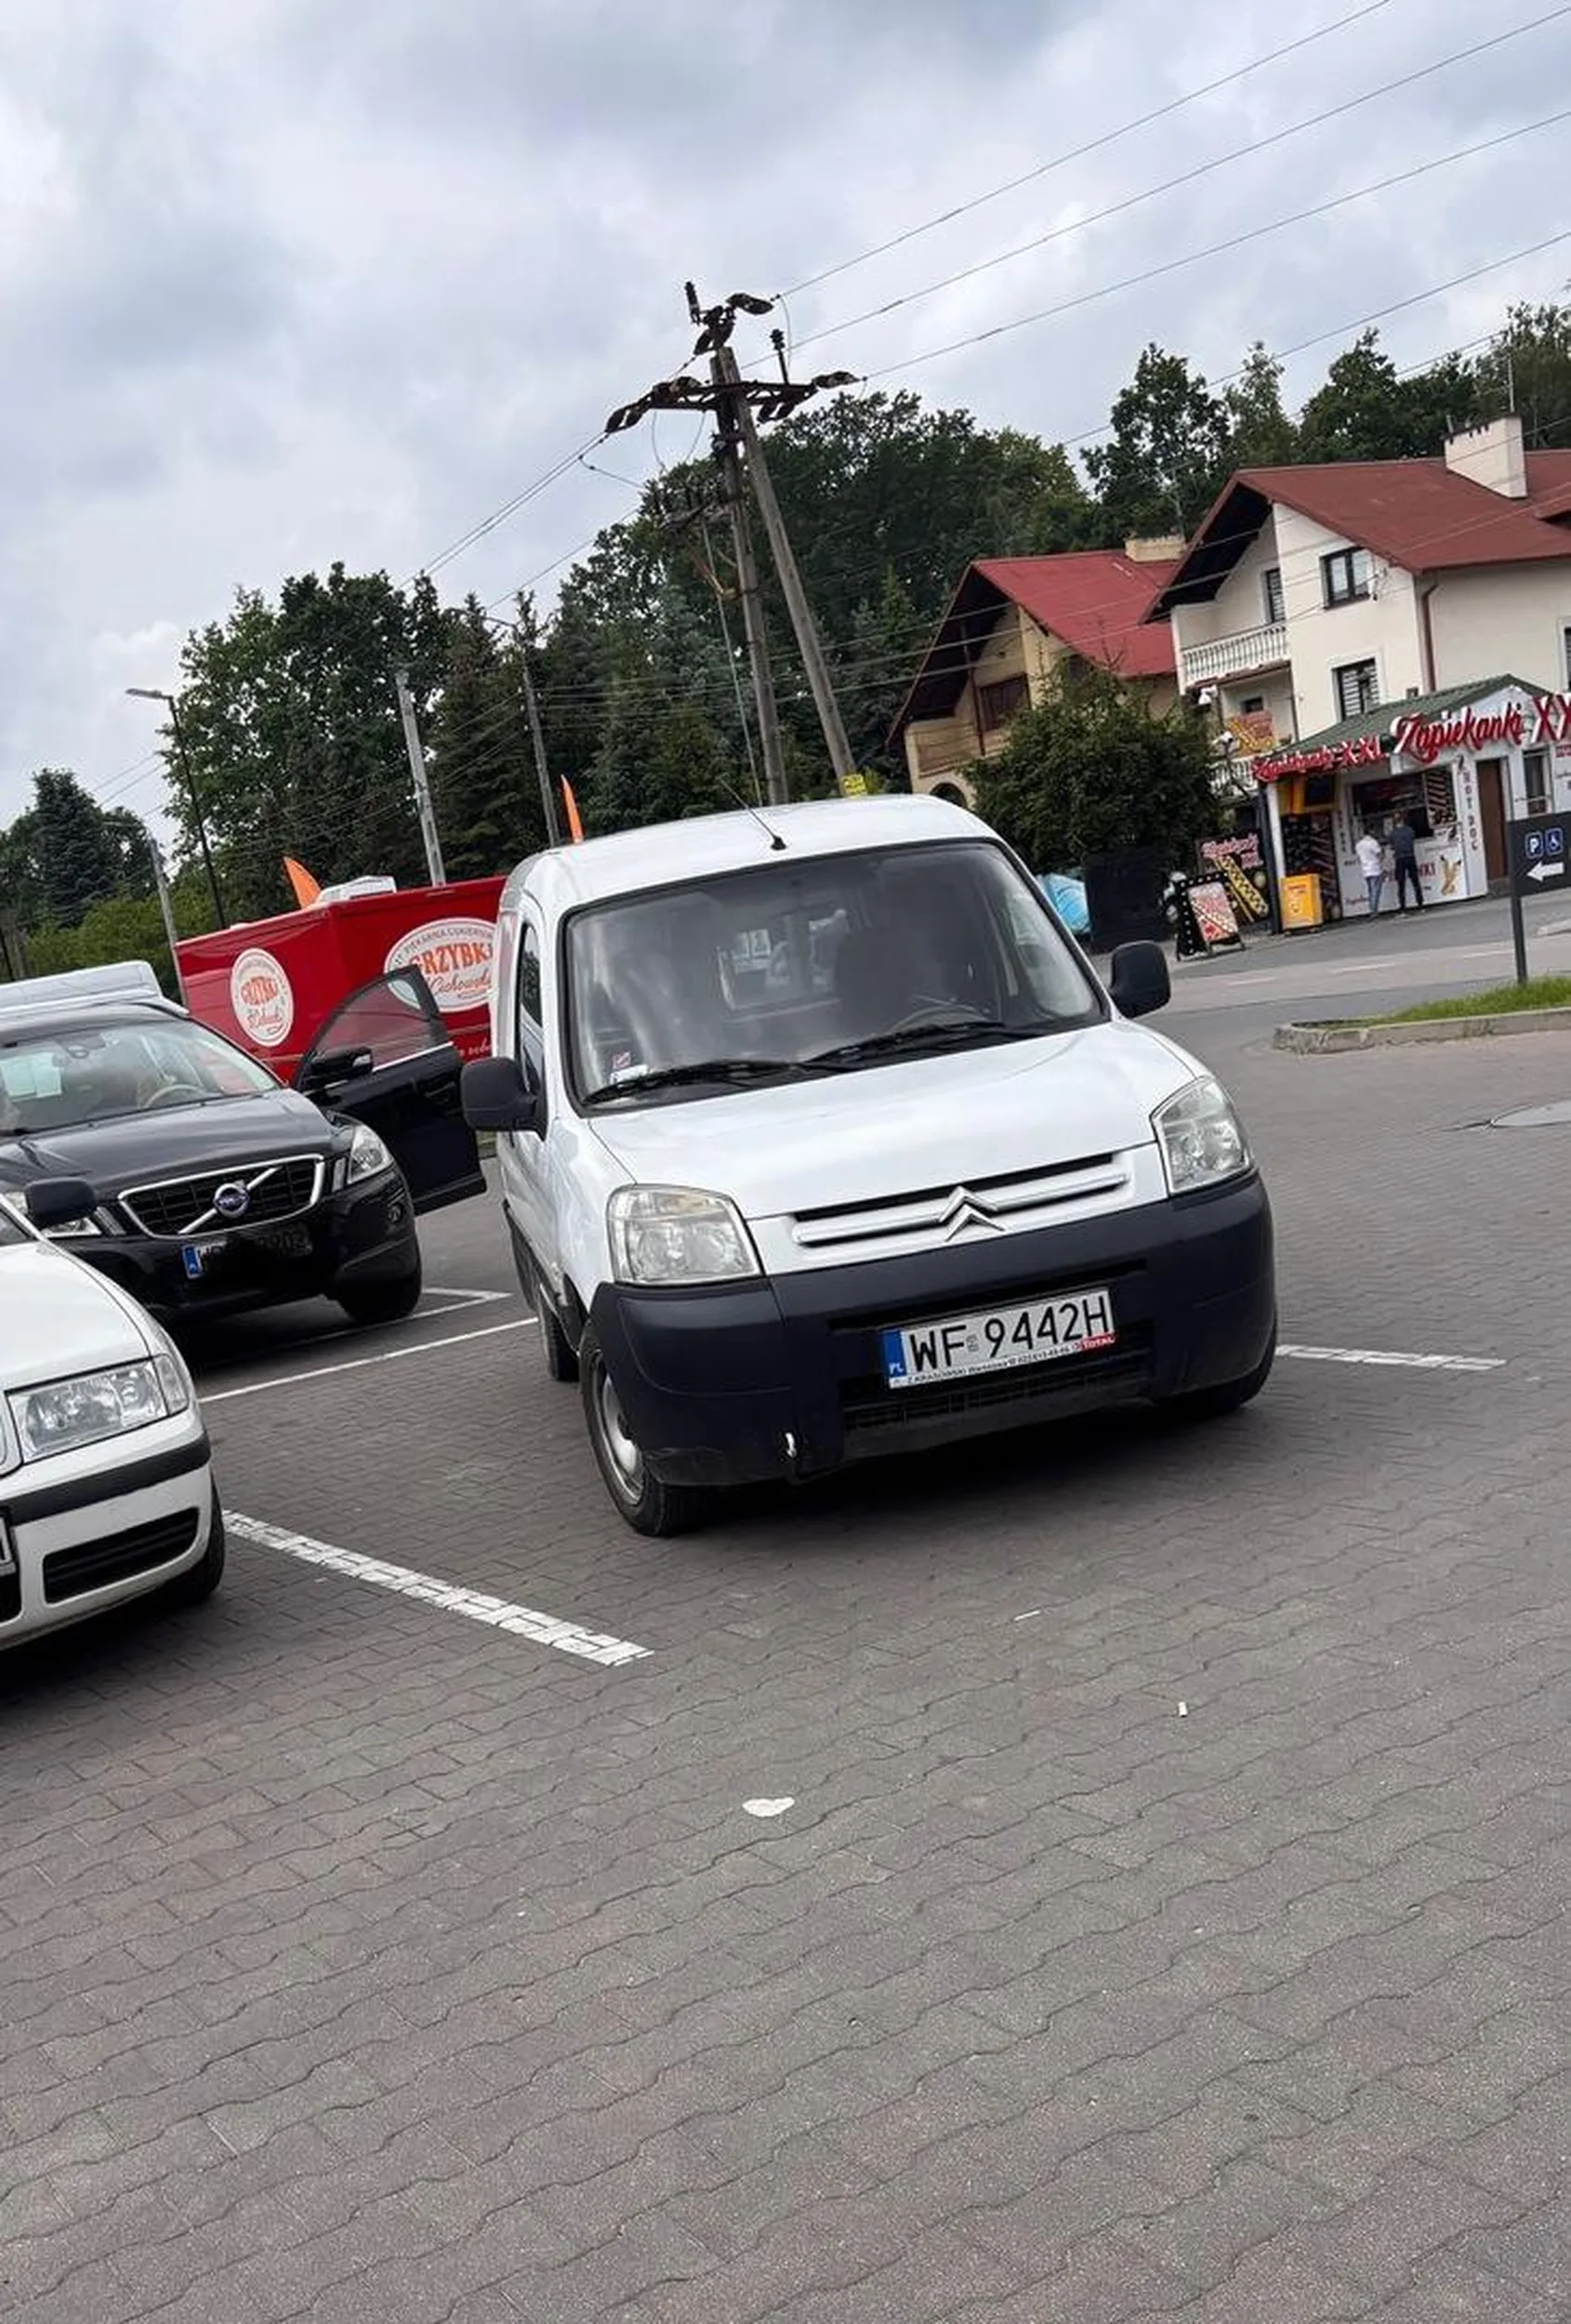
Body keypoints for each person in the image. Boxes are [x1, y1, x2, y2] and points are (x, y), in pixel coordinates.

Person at [1389, 812, 1423, 912]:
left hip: (1399, 859)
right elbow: (1413, 839)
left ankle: (1403, 907)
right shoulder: (1410, 830)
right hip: (1410, 857)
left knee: (1401, 883)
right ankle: (1420, 904)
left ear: (1395, 822)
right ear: (1403, 820)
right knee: (1415, 881)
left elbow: (1392, 846)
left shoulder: (1393, 833)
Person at [1355, 827, 1386, 918]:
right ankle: (1374, 910)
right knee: (1375, 891)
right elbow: (1380, 856)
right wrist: (1383, 853)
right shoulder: (1373, 843)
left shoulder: (1359, 844)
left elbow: (1359, 857)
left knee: (1371, 890)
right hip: (1375, 869)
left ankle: (1372, 909)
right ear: (1371, 832)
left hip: (1365, 870)